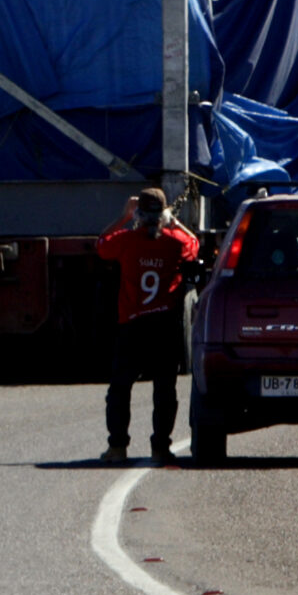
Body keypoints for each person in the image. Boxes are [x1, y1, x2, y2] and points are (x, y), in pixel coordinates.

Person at [94, 187, 202, 466]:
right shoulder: (175, 242)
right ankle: (160, 448)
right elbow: (194, 244)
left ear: (138, 214)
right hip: (164, 325)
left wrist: (123, 216)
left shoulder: (126, 240)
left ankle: (117, 446)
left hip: (132, 325)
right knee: (164, 389)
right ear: (163, 214)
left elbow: (101, 244)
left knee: (120, 388)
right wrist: (175, 222)